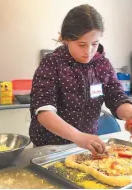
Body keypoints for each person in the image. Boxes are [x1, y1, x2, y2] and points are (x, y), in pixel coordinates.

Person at [29, 4, 132, 155]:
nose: (88, 51)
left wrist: (129, 114)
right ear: (65, 39)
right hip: (49, 148)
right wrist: (78, 137)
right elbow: (44, 112)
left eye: (95, 44)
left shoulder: (102, 65)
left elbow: (116, 98)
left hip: (86, 148)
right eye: (81, 44)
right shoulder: (52, 64)